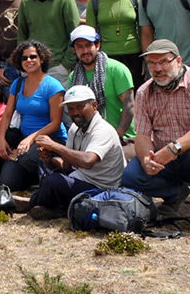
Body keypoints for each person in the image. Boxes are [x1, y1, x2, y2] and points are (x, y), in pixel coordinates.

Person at [121, 40, 190, 218]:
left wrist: (174, 148)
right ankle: (175, 193)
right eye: (152, 63)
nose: (158, 68)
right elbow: (142, 136)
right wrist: (147, 160)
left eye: (163, 62)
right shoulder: (144, 92)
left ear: (178, 61)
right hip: (164, 159)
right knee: (130, 176)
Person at [14, 85, 127, 218]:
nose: (75, 113)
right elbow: (66, 165)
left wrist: (55, 146)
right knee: (46, 170)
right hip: (81, 178)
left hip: (102, 188)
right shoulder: (75, 128)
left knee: (53, 182)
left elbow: (87, 161)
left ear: (94, 105)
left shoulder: (103, 130)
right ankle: (55, 206)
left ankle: (32, 203)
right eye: (71, 109)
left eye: (80, 107)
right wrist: (49, 159)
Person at [0, 41, 67, 191]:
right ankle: (35, 179)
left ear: (42, 59)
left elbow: (56, 123)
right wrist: (1, 139)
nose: (29, 60)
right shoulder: (18, 83)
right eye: (24, 58)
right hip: (25, 142)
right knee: (8, 182)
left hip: (51, 139)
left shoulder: (53, 86)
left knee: (27, 158)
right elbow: (7, 113)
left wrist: (31, 139)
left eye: (33, 56)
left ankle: (54, 174)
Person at [67, 25, 136, 159]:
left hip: (122, 138)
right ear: (73, 50)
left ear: (98, 45)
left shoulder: (117, 69)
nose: (85, 50)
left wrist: (116, 137)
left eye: (89, 45)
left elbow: (129, 107)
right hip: (89, 139)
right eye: (80, 46)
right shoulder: (73, 76)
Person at [86, 0, 144, 87]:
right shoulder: (95, 0)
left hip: (134, 56)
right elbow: (90, 34)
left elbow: (144, 30)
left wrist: (146, 60)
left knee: (134, 98)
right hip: (107, 57)